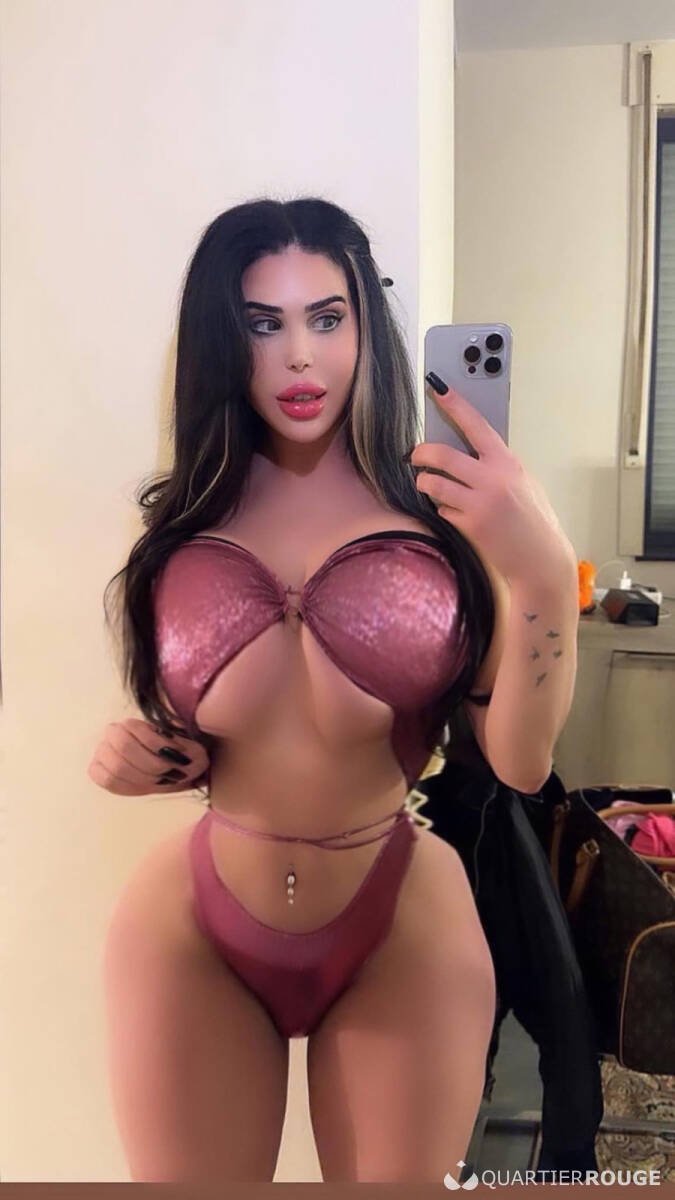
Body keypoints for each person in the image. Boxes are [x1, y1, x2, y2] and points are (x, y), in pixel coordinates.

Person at [91, 195, 577, 1183]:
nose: (300, 358)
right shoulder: (183, 527)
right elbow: (199, 727)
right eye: (262, 324)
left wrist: (539, 572)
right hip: (194, 922)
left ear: (366, 327)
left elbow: (522, 764)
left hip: (398, 913)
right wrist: (136, 754)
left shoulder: (445, 518)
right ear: (222, 340)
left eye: (327, 317)